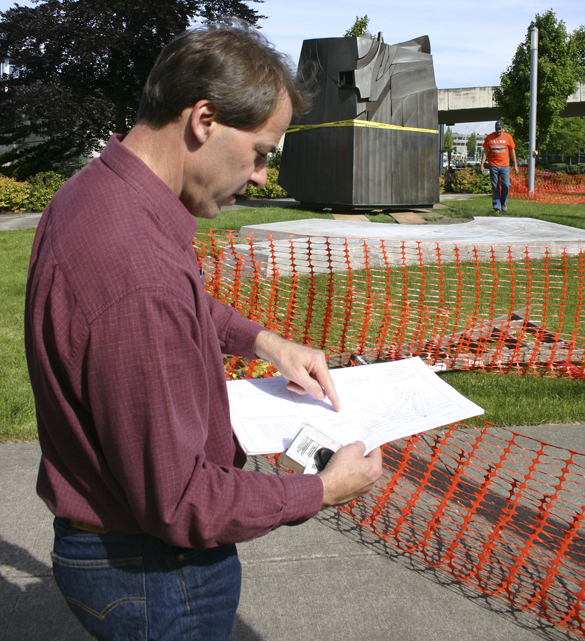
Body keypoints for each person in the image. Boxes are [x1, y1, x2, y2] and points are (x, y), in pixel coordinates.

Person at [24, 22, 383, 641]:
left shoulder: (101, 195)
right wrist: (319, 490)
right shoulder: (134, 270)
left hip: (125, 558)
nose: (264, 177)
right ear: (205, 119)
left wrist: (263, 341)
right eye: (262, 152)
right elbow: (182, 501)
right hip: (157, 576)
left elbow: (175, 302)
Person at [480, 120, 519, 212]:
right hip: (493, 165)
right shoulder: (489, 138)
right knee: (495, 186)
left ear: (503, 128)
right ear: (495, 128)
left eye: (500, 129)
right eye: (497, 129)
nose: (498, 130)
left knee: (506, 185)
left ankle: (503, 203)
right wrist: (482, 164)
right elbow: (485, 151)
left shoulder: (508, 137)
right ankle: (497, 207)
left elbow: (512, 151)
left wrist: (515, 165)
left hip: (505, 165)